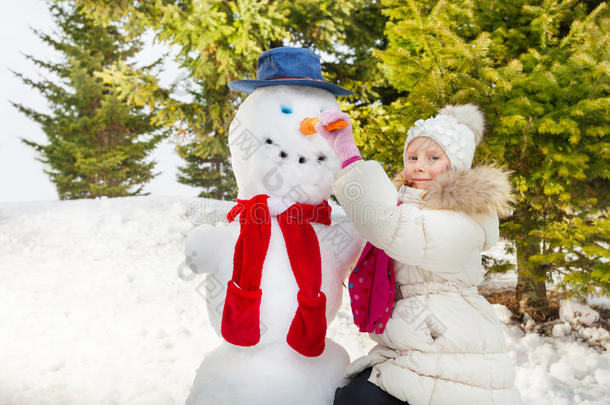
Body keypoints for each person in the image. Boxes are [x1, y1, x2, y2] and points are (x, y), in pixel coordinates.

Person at [315, 105, 523, 405]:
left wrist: (348, 152)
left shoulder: (465, 218)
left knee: (359, 399)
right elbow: (374, 224)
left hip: (450, 350)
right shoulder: (406, 207)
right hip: (415, 347)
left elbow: (389, 227)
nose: (418, 166)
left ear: (456, 166)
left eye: (433, 158)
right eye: (412, 157)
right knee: (353, 396)